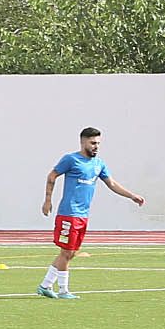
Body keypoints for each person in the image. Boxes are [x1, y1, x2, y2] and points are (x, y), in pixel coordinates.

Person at [40, 126, 143, 299]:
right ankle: (63, 290)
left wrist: (132, 196)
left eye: (98, 143)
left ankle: (45, 285)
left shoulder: (98, 164)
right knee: (66, 252)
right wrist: (48, 200)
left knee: (70, 253)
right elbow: (52, 176)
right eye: (93, 143)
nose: (96, 146)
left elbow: (111, 183)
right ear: (83, 142)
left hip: (83, 215)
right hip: (69, 213)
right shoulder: (71, 160)